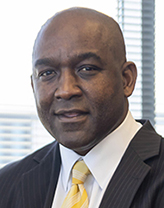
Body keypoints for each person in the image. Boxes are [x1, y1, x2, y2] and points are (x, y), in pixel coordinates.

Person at [0, 7, 164, 208]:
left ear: (126, 80)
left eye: (86, 69)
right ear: (33, 86)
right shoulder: (7, 185)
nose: (66, 91)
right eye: (47, 73)